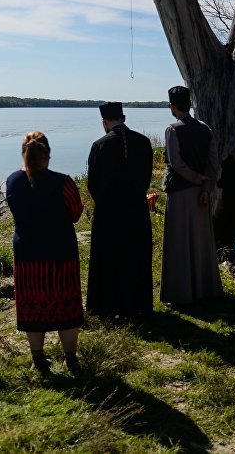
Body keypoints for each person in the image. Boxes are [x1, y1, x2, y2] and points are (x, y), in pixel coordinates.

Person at [6, 132, 84, 376]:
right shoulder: (64, 183)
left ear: (24, 153)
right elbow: (75, 213)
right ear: (48, 155)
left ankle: (38, 361)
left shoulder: (12, 182)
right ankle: (71, 361)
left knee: (32, 305)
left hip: (28, 254)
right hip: (60, 254)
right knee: (66, 306)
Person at [86, 102, 154, 319]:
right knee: (135, 256)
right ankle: (137, 305)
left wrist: (104, 202)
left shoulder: (100, 145)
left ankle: (108, 306)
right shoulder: (144, 142)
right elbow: (146, 177)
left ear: (105, 122)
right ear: (123, 118)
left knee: (109, 258)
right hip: (136, 210)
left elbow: (93, 183)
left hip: (109, 213)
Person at [160, 86, 223, 304]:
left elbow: (175, 163)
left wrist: (197, 179)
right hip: (202, 193)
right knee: (201, 241)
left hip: (180, 192)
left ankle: (181, 293)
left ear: (173, 106)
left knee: (179, 242)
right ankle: (204, 289)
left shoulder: (172, 129)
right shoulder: (205, 128)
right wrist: (206, 187)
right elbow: (214, 164)